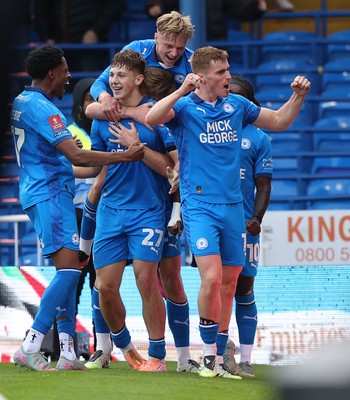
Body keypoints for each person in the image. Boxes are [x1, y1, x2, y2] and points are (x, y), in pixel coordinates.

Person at [145, 46, 311, 378]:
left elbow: (278, 120)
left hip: (234, 207)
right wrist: (181, 89)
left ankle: (221, 356)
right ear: (202, 76)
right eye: (221, 72)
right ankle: (207, 356)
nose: (228, 76)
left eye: (228, 70)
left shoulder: (237, 106)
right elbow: (151, 119)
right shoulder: (185, 108)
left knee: (230, 283)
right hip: (200, 206)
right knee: (212, 277)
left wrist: (298, 96)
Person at [10, 44, 144, 372]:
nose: (69, 77)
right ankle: (30, 344)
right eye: (65, 70)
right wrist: (122, 156)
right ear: (52, 72)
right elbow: (78, 157)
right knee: (71, 270)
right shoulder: (44, 109)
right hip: (51, 193)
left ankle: (68, 352)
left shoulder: (21, 101)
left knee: (68, 272)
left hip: (41, 190)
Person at [74, 49, 180, 372]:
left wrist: (140, 148)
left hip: (148, 211)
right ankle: (126, 348)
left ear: (137, 79)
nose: (114, 80)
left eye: (121, 75)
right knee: (104, 287)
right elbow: (96, 168)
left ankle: (159, 356)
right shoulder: (101, 121)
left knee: (146, 278)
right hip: (111, 211)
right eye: (112, 75)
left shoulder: (157, 117)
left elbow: (172, 168)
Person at [223, 76, 273, 378]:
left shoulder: (258, 138)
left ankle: (245, 358)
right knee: (215, 286)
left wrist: (257, 217)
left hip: (244, 224)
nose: (232, 103)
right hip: (212, 221)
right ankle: (217, 351)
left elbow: (263, 184)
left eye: (239, 98)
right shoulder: (209, 131)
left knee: (243, 288)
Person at [90, 10, 194, 123]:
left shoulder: (192, 62)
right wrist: (105, 97)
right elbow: (100, 83)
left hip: (173, 121)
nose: (174, 53)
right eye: (168, 46)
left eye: (180, 48)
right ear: (156, 38)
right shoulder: (136, 49)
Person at [34, 0, 127, 70]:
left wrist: (95, 30)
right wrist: (46, 37)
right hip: (58, 49)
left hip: (89, 47)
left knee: (90, 90)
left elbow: (117, 4)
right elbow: (40, 9)